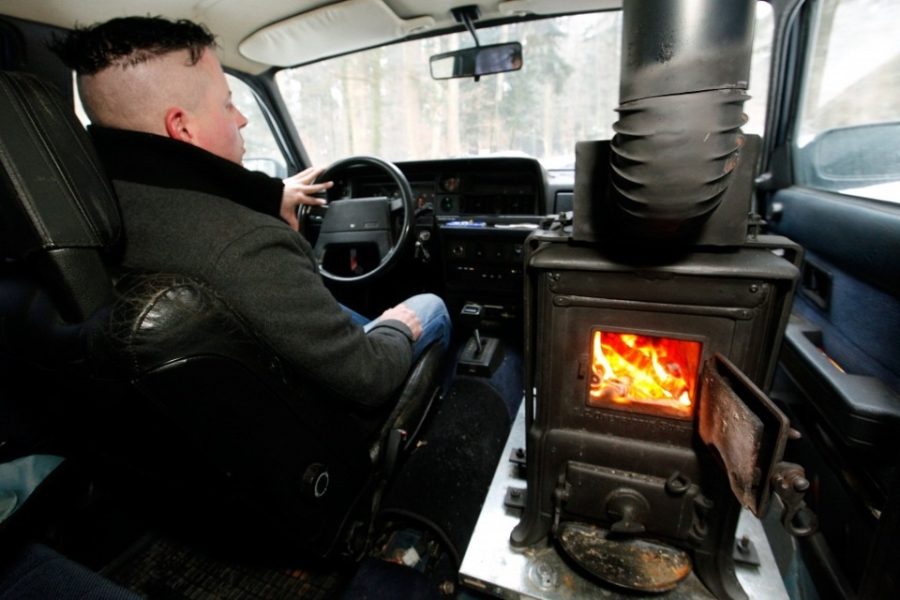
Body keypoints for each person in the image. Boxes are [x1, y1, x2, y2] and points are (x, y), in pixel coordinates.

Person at [49, 16, 450, 409]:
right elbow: (369, 375)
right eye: (227, 104)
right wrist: (397, 326)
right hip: (323, 429)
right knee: (428, 306)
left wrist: (271, 195)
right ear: (182, 128)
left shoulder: (91, 212)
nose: (240, 118)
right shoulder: (251, 247)